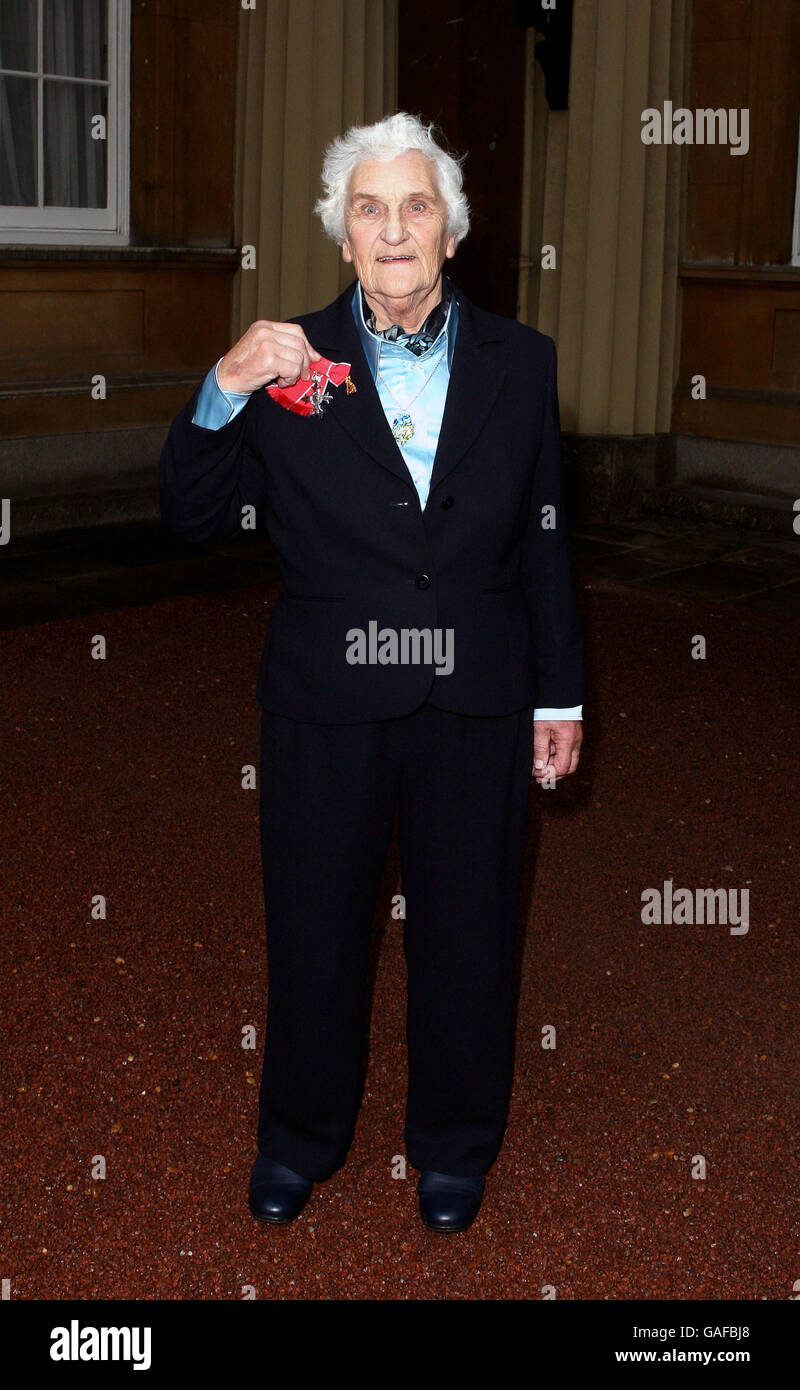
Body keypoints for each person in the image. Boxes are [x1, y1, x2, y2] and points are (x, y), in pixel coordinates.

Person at [159, 111, 586, 1233]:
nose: (393, 228)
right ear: (341, 238)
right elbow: (189, 517)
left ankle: (454, 1144)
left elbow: (544, 541)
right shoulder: (287, 358)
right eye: (368, 207)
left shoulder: (522, 364)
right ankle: (298, 1138)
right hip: (325, 700)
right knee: (312, 927)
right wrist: (222, 383)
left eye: (415, 205)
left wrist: (558, 691)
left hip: (476, 694)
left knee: (469, 927)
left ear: (450, 231)